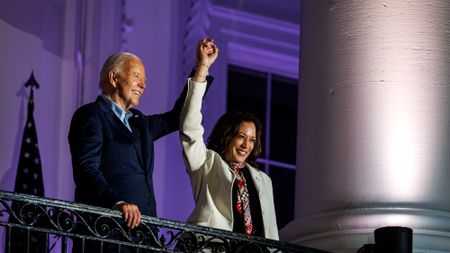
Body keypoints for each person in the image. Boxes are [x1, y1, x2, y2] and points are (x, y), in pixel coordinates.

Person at [68, 39, 216, 252]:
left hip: (144, 236)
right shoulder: (91, 115)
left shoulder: (139, 123)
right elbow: (86, 170)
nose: (143, 85)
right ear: (114, 77)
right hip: (106, 233)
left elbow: (177, 117)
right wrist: (116, 202)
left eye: (144, 80)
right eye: (136, 76)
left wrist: (202, 67)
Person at [179, 45, 279, 241]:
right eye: (241, 136)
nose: (246, 145)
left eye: (251, 140)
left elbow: (271, 232)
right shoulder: (206, 164)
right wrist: (203, 67)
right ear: (227, 136)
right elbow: (189, 126)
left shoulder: (264, 181)